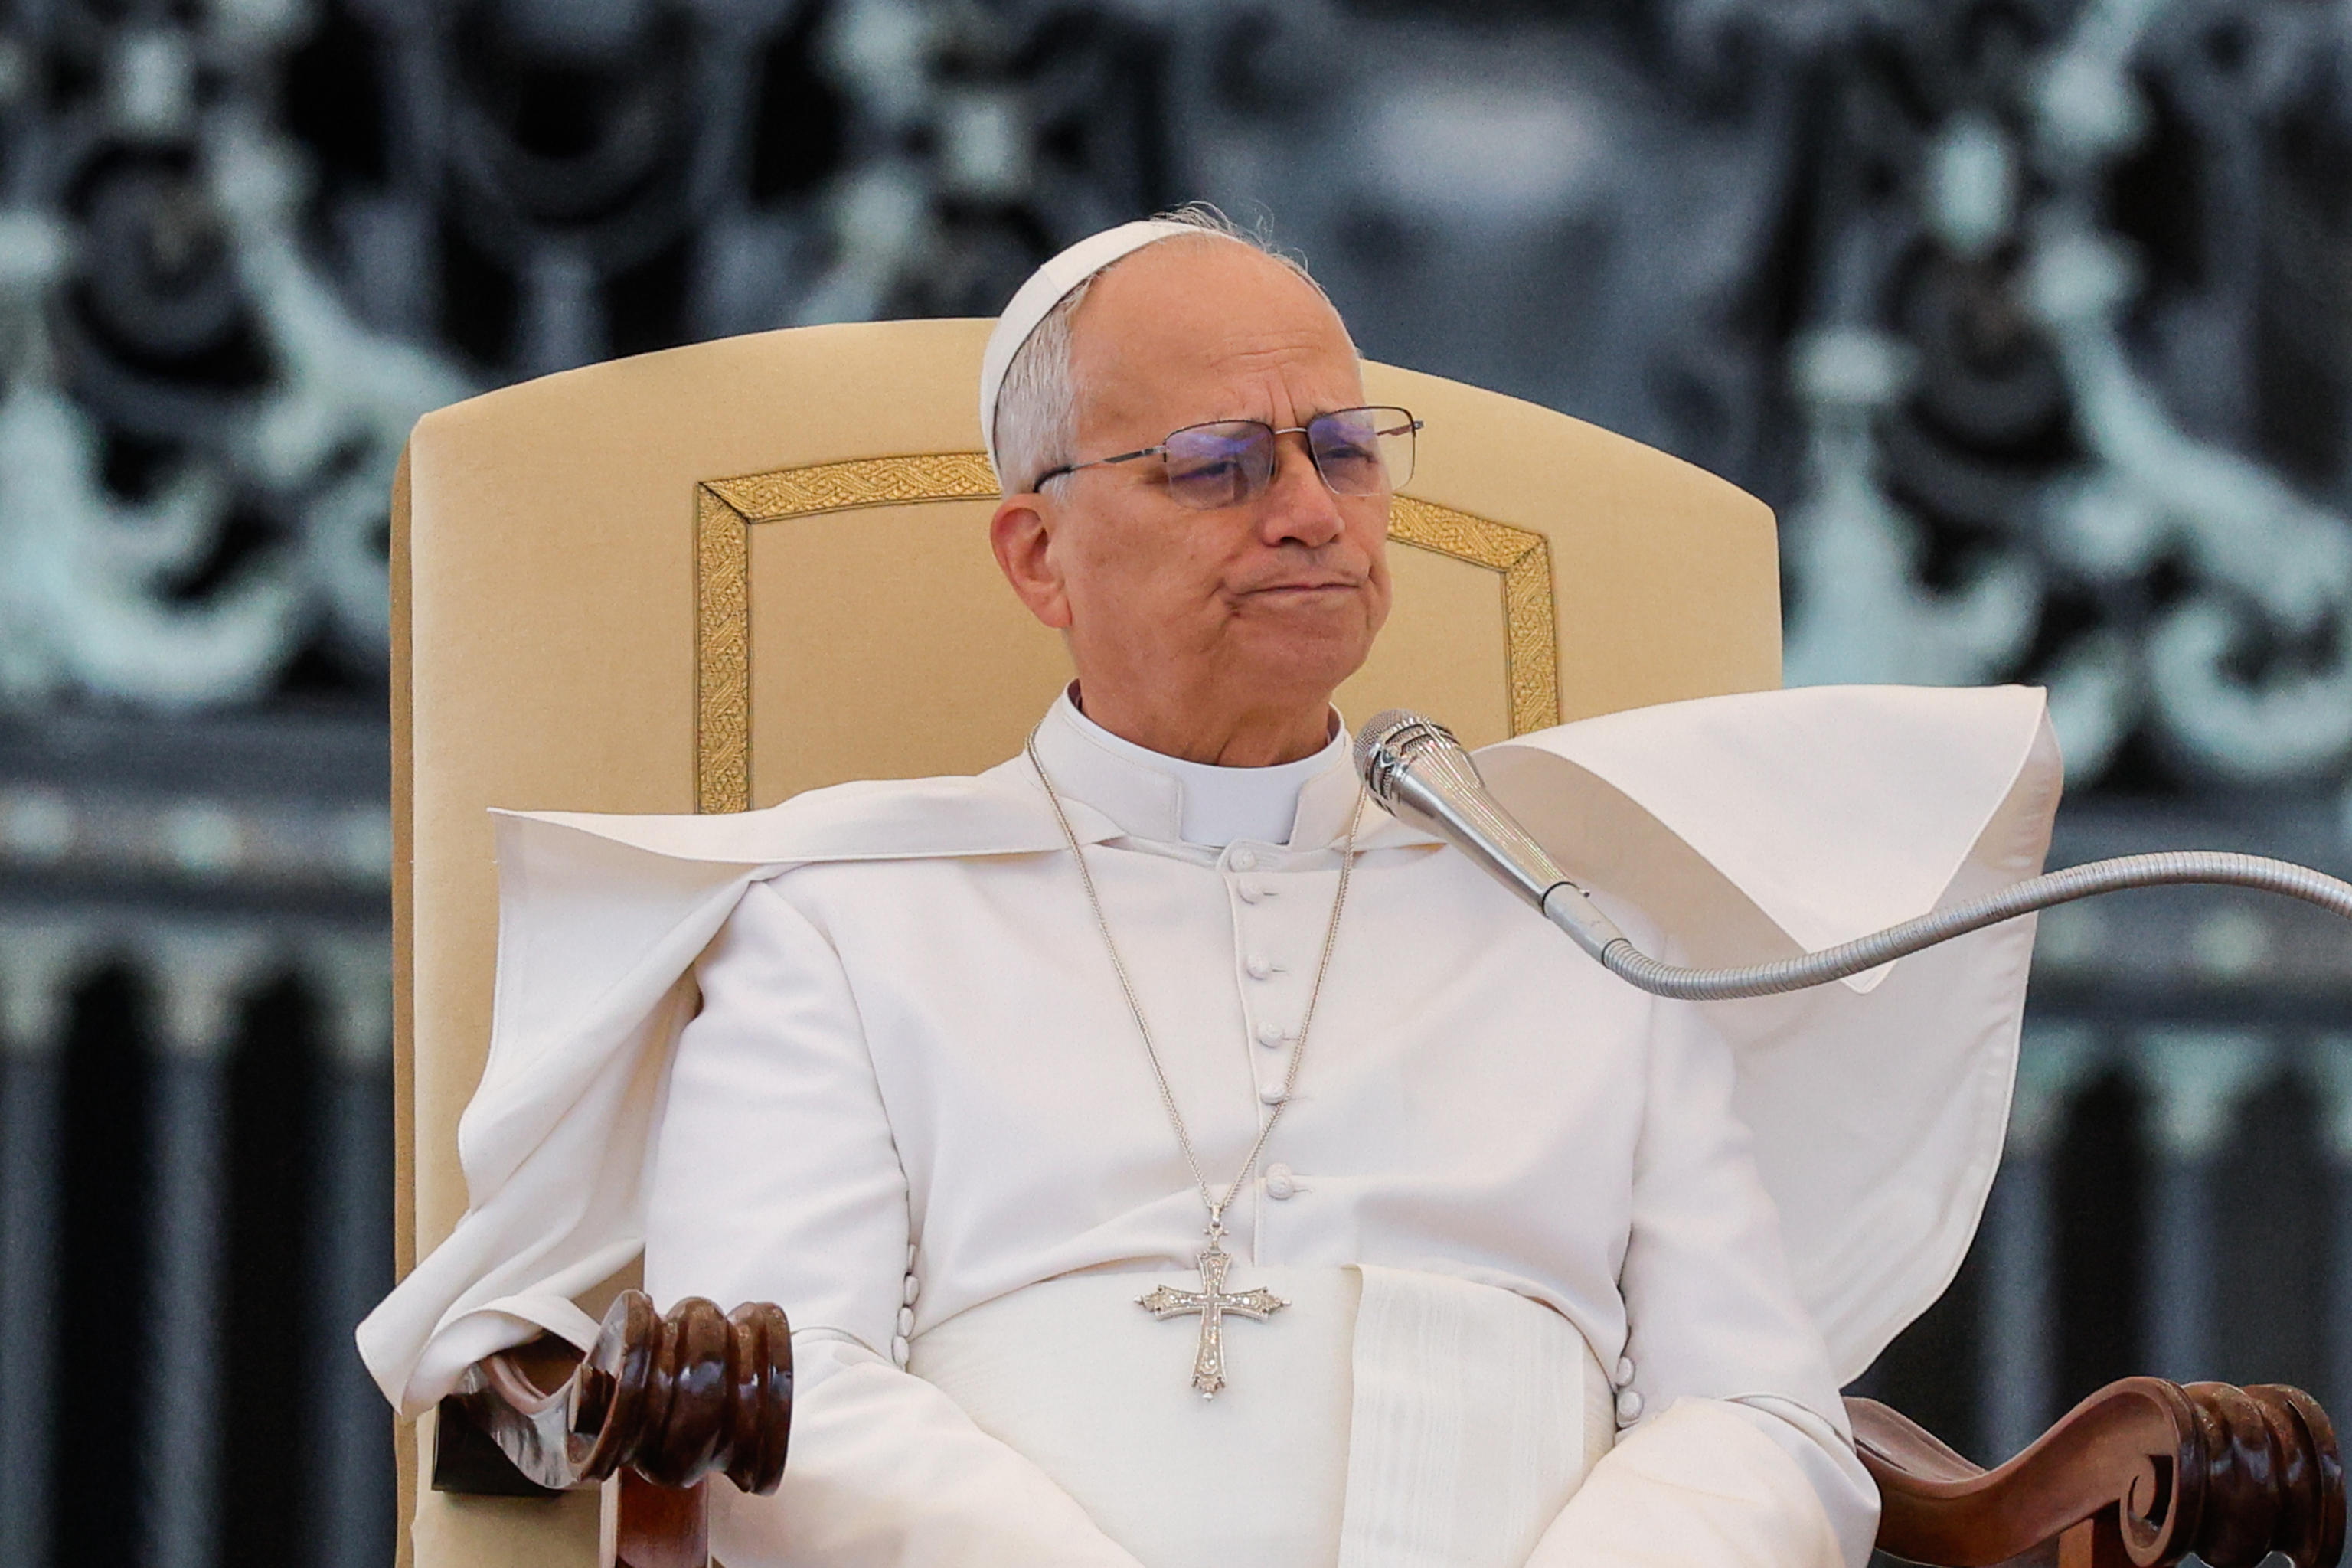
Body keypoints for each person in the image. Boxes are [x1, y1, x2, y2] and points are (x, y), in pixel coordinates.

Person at [359, 208, 2060, 1568]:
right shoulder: (844, 926)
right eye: (1218, 462)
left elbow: (1763, 1420)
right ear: (1040, 553)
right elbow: (784, 1400)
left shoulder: (1581, 928)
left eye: (1345, 450)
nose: (1311, 513)